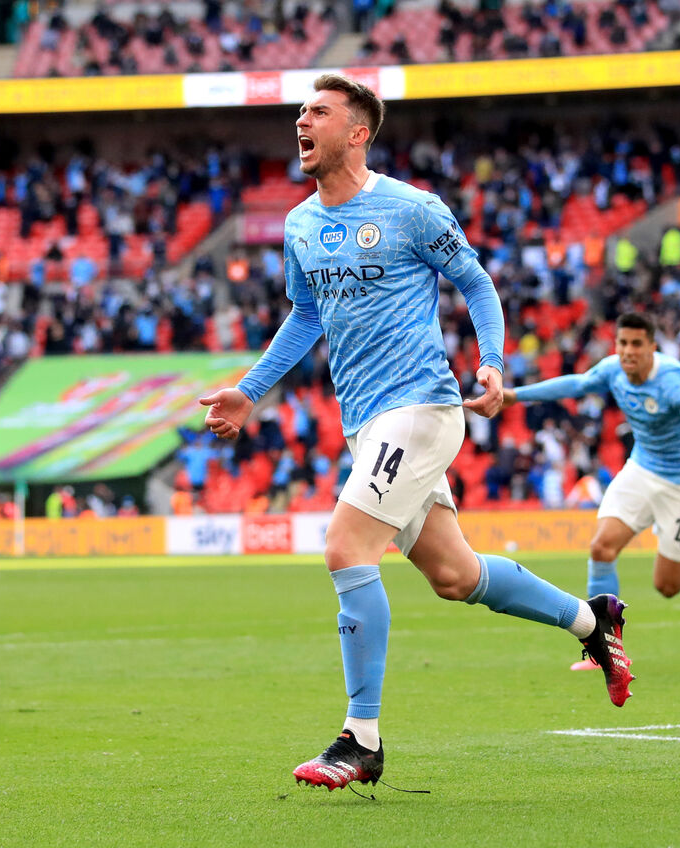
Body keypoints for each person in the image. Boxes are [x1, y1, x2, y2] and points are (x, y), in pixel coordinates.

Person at [198, 73, 633, 793]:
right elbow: (306, 316)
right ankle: (594, 620)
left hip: (423, 409)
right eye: (300, 112)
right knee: (455, 577)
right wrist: (249, 391)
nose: (300, 122)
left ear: (357, 131)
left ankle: (359, 739)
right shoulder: (300, 225)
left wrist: (492, 363)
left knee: (345, 546)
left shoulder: (411, 208)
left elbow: (477, 282)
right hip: (366, 422)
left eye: (318, 112)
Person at [501, 312, 680, 671]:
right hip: (642, 468)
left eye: (637, 344)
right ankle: (606, 648)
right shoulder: (613, 370)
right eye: (622, 343)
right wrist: (514, 396)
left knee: (667, 585)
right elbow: (578, 384)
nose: (628, 351)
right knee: (601, 546)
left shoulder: (674, 383)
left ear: (653, 347)